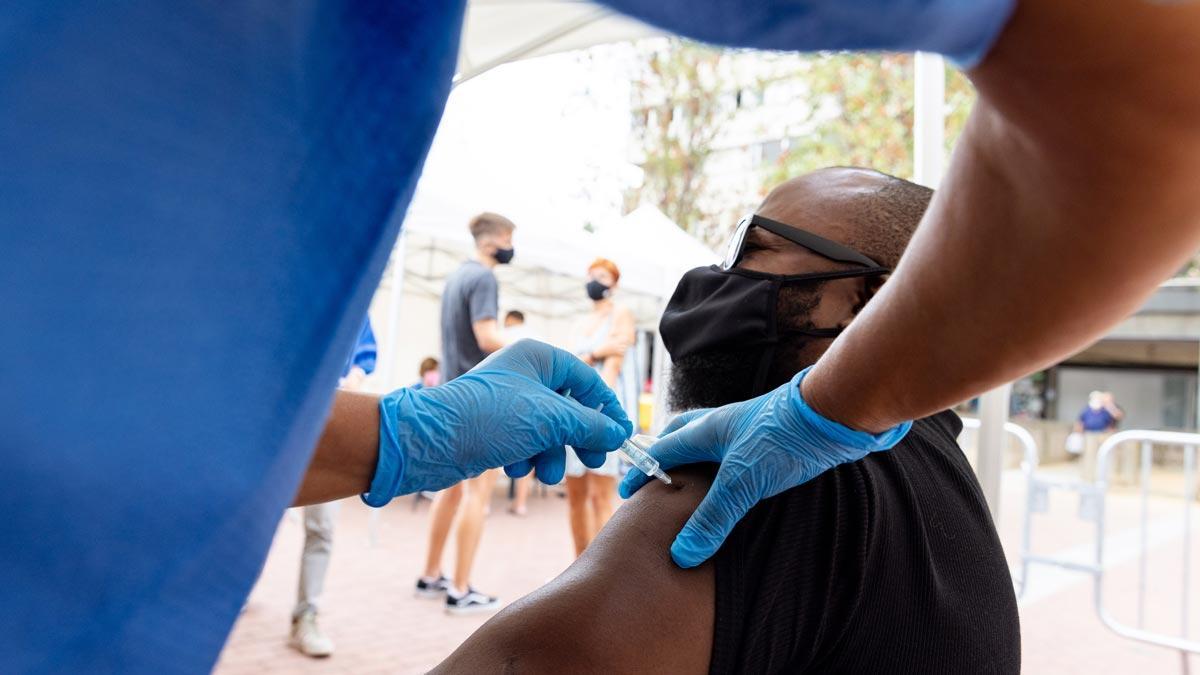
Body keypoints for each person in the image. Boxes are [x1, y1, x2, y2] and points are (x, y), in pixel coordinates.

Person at [7, 2, 1200, 670]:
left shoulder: (735, 494)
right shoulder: (933, 490)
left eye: (758, 259)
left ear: (862, 305)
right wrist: (393, 440)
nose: (710, 288)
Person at [434, 168, 1020, 673]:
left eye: (753, 246)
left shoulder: (766, 474)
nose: (717, 275)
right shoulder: (928, 440)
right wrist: (395, 436)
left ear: (873, 301)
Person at [415, 212, 515, 614]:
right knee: (478, 493)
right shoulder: (484, 278)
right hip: (478, 399)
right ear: (493, 241)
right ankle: (460, 589)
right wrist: (526, 343)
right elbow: (487, 335)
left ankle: (430, 575)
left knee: (450, 488)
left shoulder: (457, 276)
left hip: (450, 394)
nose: (511, 247)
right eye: (509, 239)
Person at [289, 318, 376, 658]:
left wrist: (356, 375)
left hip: (328, 422)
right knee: (250, 521)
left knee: (322, 528)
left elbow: (366, 352)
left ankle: (305, 616)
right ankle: (233, 593)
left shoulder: (354, 300)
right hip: (279, 420)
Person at [565, 258, 637, 555]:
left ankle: (597, 573)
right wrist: (596, 352)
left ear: (615, 283)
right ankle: (576, 567)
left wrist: (595, 407)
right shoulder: (580, 323)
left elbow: (612, 367)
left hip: (600, 411)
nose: (596, 280)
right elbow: (566, 366)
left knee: (600, 496)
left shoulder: (621, 314)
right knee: (575, 495)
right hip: (572, 410)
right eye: (592, 275)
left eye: (603, 276)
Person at [502, 310, 533, 516]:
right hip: (530, 406)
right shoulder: (533, 337)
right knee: (528, 457)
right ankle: (520, 504)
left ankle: (482, 504)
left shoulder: (503, 337)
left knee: (491, 455)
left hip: (505, 403)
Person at [1074, 390, 1127, 482]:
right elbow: (1080, 422)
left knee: (1105, 457)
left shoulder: (1108, 410)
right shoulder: (1087, 410)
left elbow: (1117, 416)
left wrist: (1109, 405)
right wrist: (1079, 433)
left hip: (1104, 436)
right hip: (1089, 436)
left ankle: (1105, 477)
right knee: (1089, 457)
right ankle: (1088, 476)